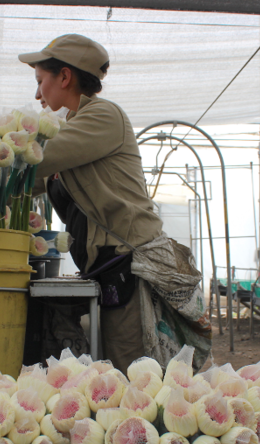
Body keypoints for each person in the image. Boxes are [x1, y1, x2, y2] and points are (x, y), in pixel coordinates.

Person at [18, 34, 164, 372]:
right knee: (114, 365)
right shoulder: (73, 126)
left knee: (133, 371)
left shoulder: (103, 117)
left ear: (65, 76)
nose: (37, 94)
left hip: (129, 262)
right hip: (105, 264)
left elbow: (38, 160)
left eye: (41, 81)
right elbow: (27, 181)